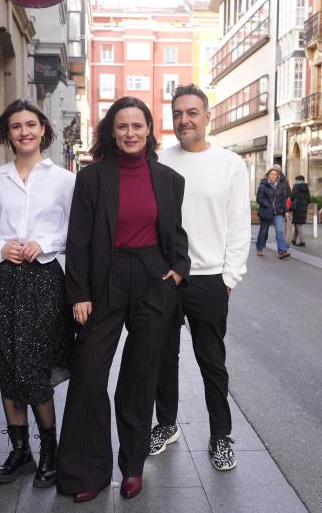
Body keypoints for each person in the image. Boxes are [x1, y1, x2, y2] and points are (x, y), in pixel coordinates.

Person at [57, 96, 190, 502]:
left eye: (137, 126)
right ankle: (87, 472)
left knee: (140, 377)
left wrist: (179, 268)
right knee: (88, 374)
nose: (129, 133)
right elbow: (77, 239)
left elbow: (175, 232)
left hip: (153, 278)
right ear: (111, 132)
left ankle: (132, 467)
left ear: (149, 130)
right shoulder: (93, 177)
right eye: (122, 126)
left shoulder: (169, 180)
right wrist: (78, 292)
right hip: (105, 277)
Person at [0, 100, 75, 488]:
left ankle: (49, 449)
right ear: (8, 133)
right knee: (9, 364)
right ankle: (19, 451)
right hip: (0, 280)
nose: (24, 131)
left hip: (44, 280)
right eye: (16, 126)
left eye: (31, 124)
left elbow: (74, 230)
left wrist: (42, 243)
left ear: (43, 129)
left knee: (34, 364)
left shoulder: (64, 180)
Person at [150, 84, 250, 471]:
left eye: (192, 112)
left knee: (211, 360)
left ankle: (221, 436)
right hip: (165, 277)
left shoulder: (230, 164)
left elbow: (239, 226)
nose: (183, 120)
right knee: (163, 357)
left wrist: (229, 279)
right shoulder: (159, 161)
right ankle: (166, 424)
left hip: (209, 279)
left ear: (207, 117)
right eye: (177, 114)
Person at [255, 167, 291, 259]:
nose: (273, 176)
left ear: (277, 176)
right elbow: (259, 199)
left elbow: (283, 200)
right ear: (268, 175)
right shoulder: (263, 186)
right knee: (264, 231)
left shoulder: (280, 186)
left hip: (278, 211)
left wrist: (286, 211)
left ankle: (282, 251)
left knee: (279, 231)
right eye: (271, 174)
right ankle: (259, 248)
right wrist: (269, 205)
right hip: (266, 211)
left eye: (275, 174)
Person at [290, 174, 311, 247]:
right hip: (304, 207)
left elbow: (292, 197)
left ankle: (302, 241)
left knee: (298, 224)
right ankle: (293, 239)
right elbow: (309, 199)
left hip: (297, 207)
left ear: (297, 180)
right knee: (298, 223)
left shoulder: (296, 187)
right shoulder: (306, 187)